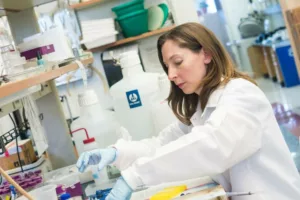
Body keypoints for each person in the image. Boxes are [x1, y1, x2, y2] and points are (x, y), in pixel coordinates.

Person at [76, 23, 300, 200]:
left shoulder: (241, 95)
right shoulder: (202, 108)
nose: (171, 75)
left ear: (207, 54)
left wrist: (134, 176)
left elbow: (212, 145)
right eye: (167, 67)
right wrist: (118, 152)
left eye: (177, 62)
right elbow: (162, 144)